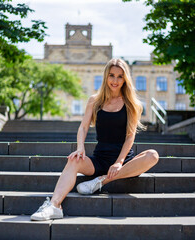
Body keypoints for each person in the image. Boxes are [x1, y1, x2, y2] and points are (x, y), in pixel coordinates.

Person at [30, 58, 159, 221]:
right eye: (112, 75)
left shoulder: (132, 104)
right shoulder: (95, 100)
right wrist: (80, 148)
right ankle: (54, 206)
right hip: (100, 159)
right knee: (73, 160)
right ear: (106, 76)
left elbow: (130, 136)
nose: (115, 80)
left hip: (124, 161)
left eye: (120, 76)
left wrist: (119, 162)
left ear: (125, 78)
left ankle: (101, 181)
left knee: (153, 155)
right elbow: (83, 127)